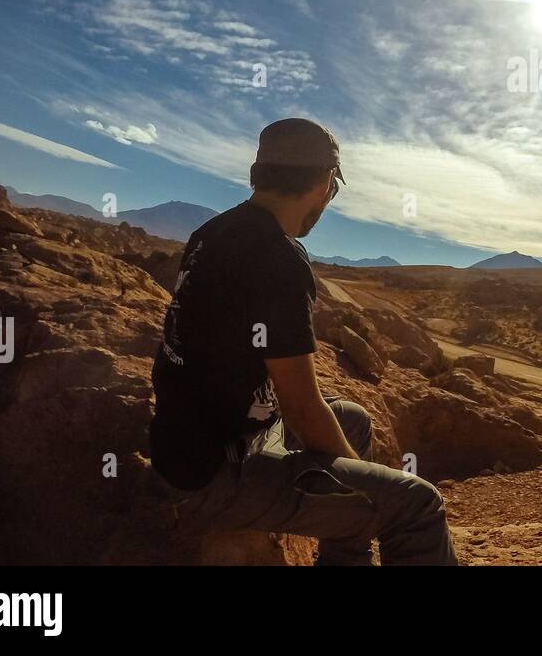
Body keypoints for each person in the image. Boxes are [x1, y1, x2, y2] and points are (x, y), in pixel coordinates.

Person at [148, 117, 458, 565]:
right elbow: (302, 408)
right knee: (416, 503)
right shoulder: (279, 259)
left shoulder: (212, 233)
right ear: (326, 183)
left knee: (352, 418)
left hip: (188, 439)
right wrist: (364, 488)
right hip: (216, 471)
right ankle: (357, 526)